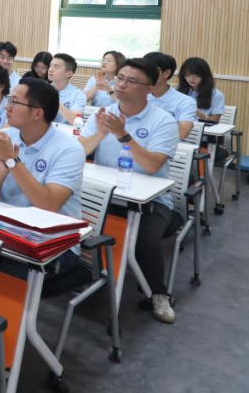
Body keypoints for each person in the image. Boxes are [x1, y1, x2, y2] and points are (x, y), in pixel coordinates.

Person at [79, 57, 179, 324]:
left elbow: (152, 165)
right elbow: (80, 151)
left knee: (144, 240)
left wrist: (123, 135)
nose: (121, 85)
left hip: (151, 201)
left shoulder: (163, 121)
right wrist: (101, 133)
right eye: (120, 78)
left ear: (149, 88)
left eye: (131, 81)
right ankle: (85, 275)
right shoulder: (104, 113)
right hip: (104, 193)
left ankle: (159, 294)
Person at [0, 78, 85, 278]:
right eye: (9, 100)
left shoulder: (69, 149)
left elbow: (48, 205)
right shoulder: (5, 137)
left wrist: (12, 160)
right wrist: (2, 169)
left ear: (37, 113)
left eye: (14, 102)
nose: (7, 107)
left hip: (54, 242)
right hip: (9, 230)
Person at [143, 52, 197, 139]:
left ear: (166, 73)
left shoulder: (185, 101)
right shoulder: (135, 95)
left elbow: (182, 133)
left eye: (150, 70)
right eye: (143, 70)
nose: (145, 74)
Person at [177, 57, 226, 123]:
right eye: (187, 75)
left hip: (201, 127)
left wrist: (201, 116)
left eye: (196, 76)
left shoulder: (216, 95)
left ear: (204, 76)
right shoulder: (177, 91)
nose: (191, 79)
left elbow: (215, 120)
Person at [48, 53, 86, 124]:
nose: (50, 69)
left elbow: (75, 121)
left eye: (56, 67)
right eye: (50, 65)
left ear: (69, 73)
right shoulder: (42, 90)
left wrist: (55, 102)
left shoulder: (78, 95)